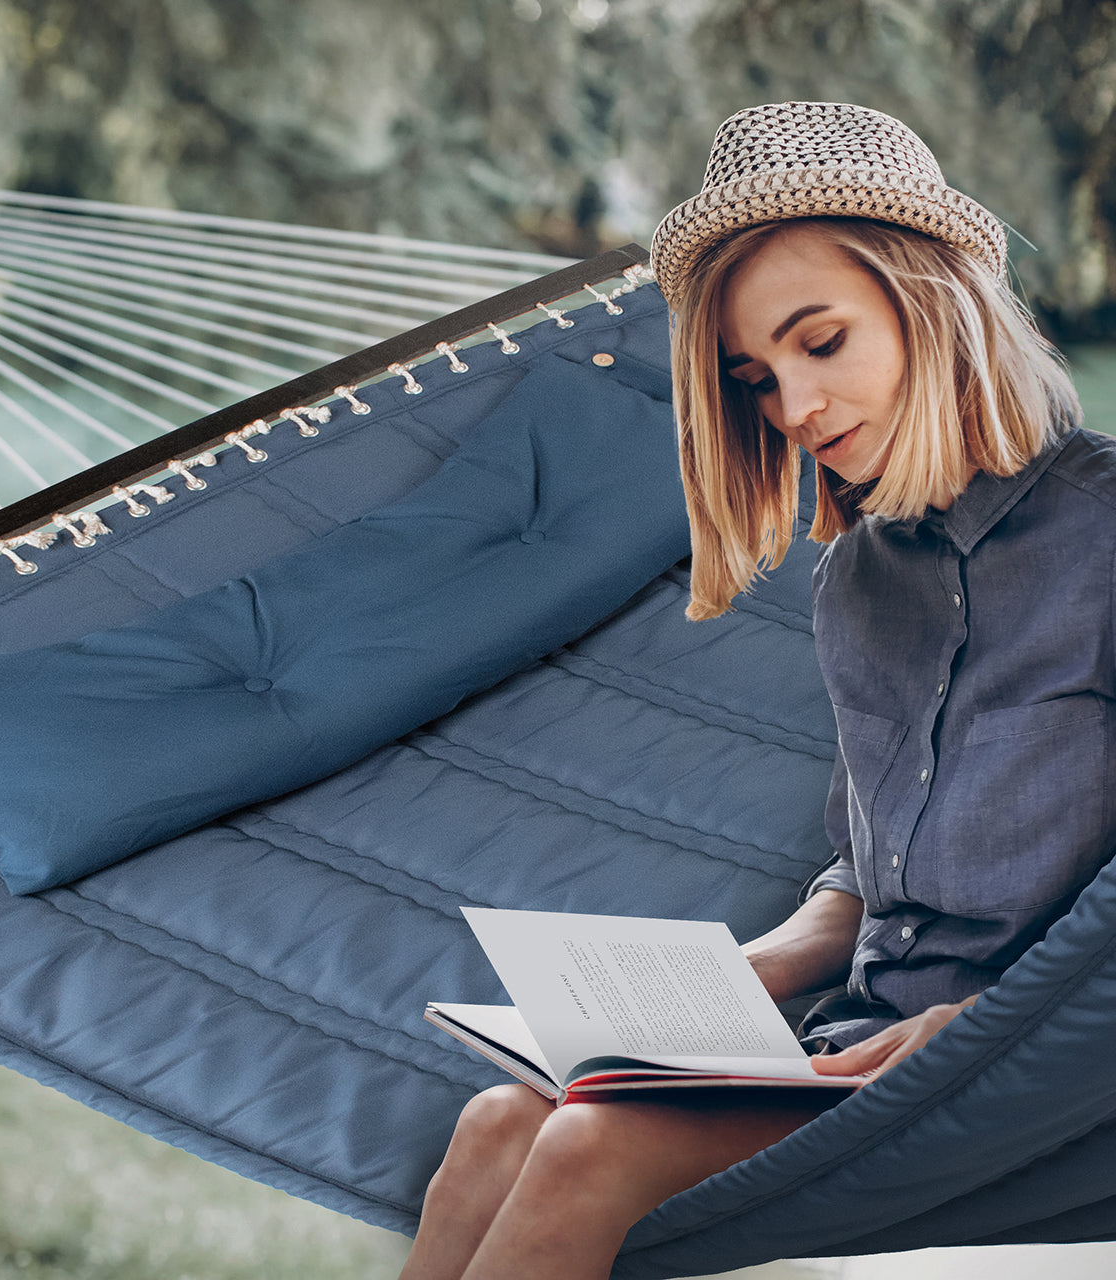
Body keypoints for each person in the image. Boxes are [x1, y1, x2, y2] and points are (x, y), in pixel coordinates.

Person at [399, 100, 1102, 1280]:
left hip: (1048, 1077)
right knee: (498, 1117)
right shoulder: (861, 578)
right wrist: (702, 999)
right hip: (864, 1047)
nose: (792, 408)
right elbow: (868, 873)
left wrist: (994, 1028)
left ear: (932, 301)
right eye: (754, 377)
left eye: (818, 342)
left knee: (586, 1148)